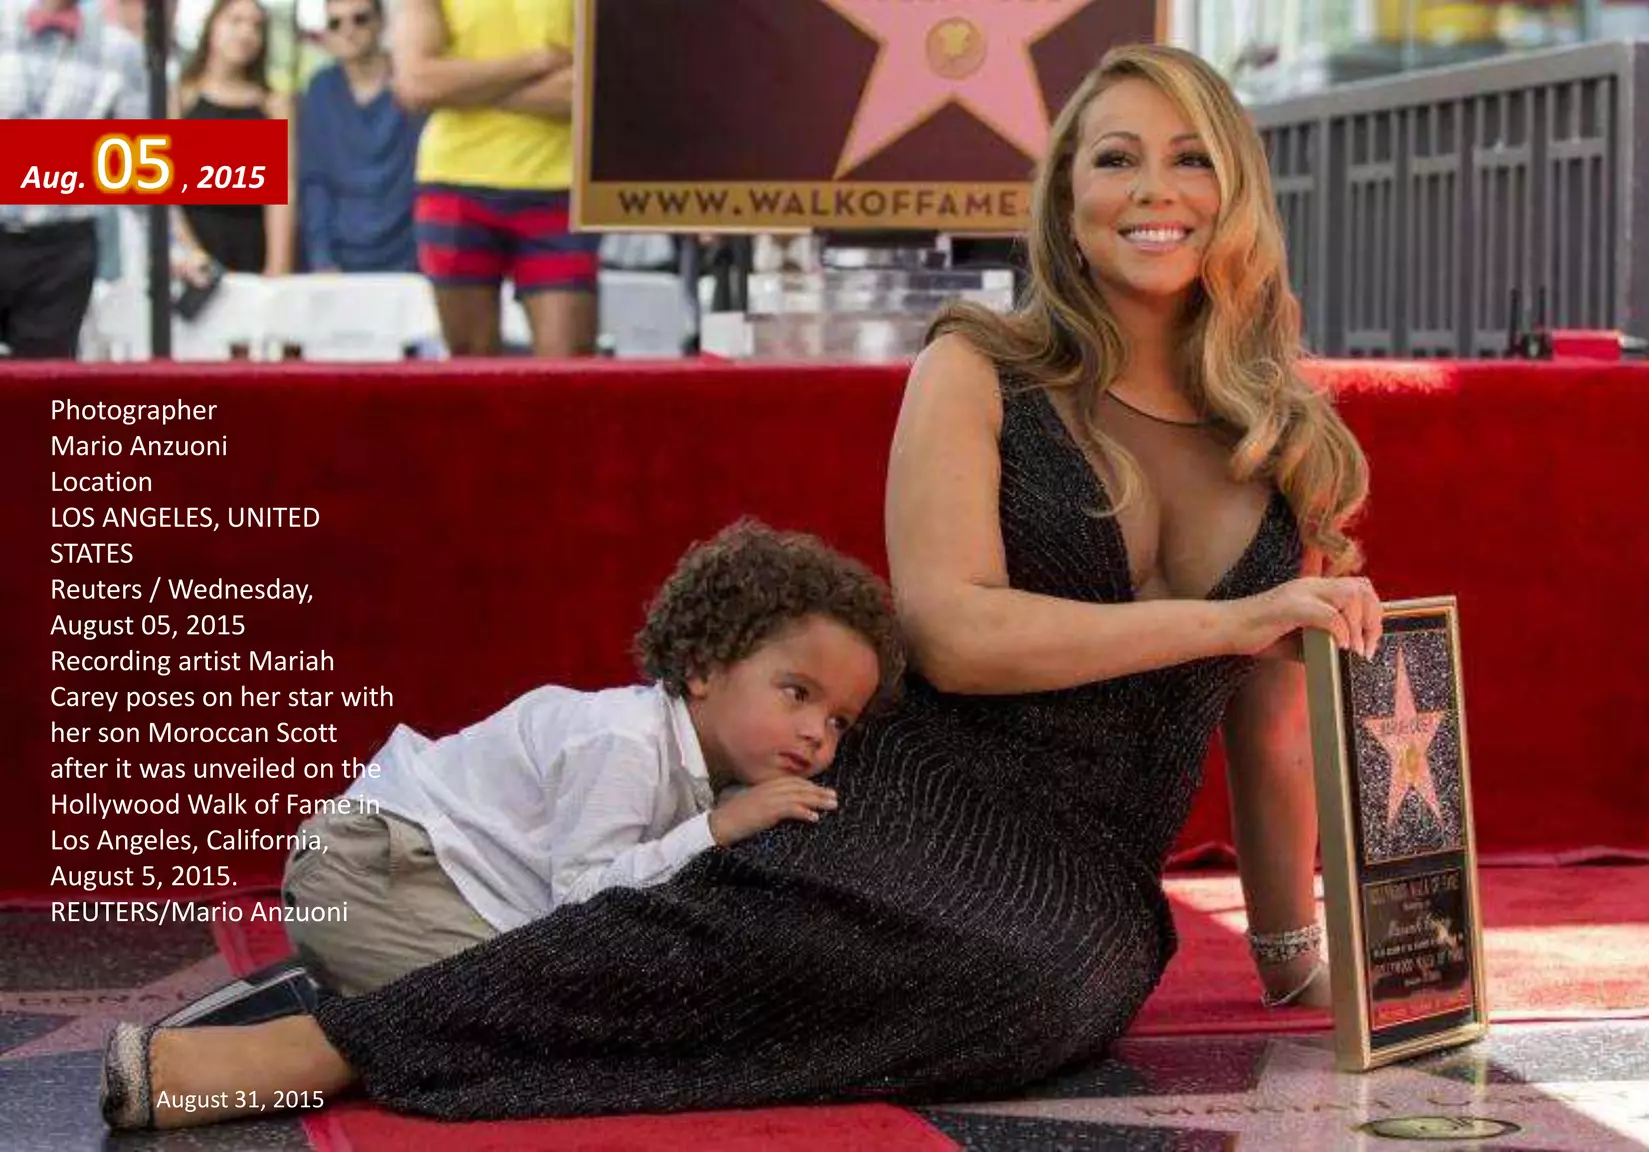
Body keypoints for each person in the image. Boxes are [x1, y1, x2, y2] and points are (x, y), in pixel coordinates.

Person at [100, 43, 1382, 1130]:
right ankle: (322, 1051)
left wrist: (1289, 960)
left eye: (1188, 156)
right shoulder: (978, 365)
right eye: (1113, 157)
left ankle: (423, 1010)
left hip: (1092, 873)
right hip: (925, 786)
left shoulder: (1287, 439)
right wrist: (1230, 617)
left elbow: (1269, 724)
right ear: (1066, 195)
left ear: (1237, 190)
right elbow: (956, 632)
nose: (1152, 190)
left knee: (1045, 992)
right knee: (769, 907)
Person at [145, 519, 902, 1038]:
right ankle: (299, 1014)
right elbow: (583, 899)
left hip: (445, 887)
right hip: (374, 870)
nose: (816, 732)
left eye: (839, 721)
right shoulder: (626, 744)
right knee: (528, 1016)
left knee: (576, 1000)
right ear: (703, 669)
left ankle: (356, 995)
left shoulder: (713, 769)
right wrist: (714, 830)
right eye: (797, 693)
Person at [393, 0, 595, 356]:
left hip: (558, 186)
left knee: (570, 371)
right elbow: (418, 85)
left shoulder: (277, 104)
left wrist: (465, 89)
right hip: (455, 183)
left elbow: (591, 88)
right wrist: (538, 61)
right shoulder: (297, 96)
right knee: (469, 365)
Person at [0, 0, 147, 358]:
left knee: (42, 386)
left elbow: (138, 163)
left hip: (63, 246)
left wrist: (171, 245)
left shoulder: (119, 51)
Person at [172, 0, 294, 284]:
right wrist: (190, 251)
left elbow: (282, 191)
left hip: (252, 247)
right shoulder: (181, 97)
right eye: (235, 21)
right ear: (212, 26)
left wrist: (277, 267)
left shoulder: (273, 105)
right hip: (194, 249)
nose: (246, 33)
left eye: (256, 26)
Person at [298, 0, 425, 273]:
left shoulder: (412, 83)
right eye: (336, 23)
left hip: (411, 261)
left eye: (360, 19)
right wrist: (322, 258)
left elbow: (427, 178)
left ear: (381, 22)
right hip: (339, 264)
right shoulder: (319, 88)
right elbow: (314, 181)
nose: (348, 30)